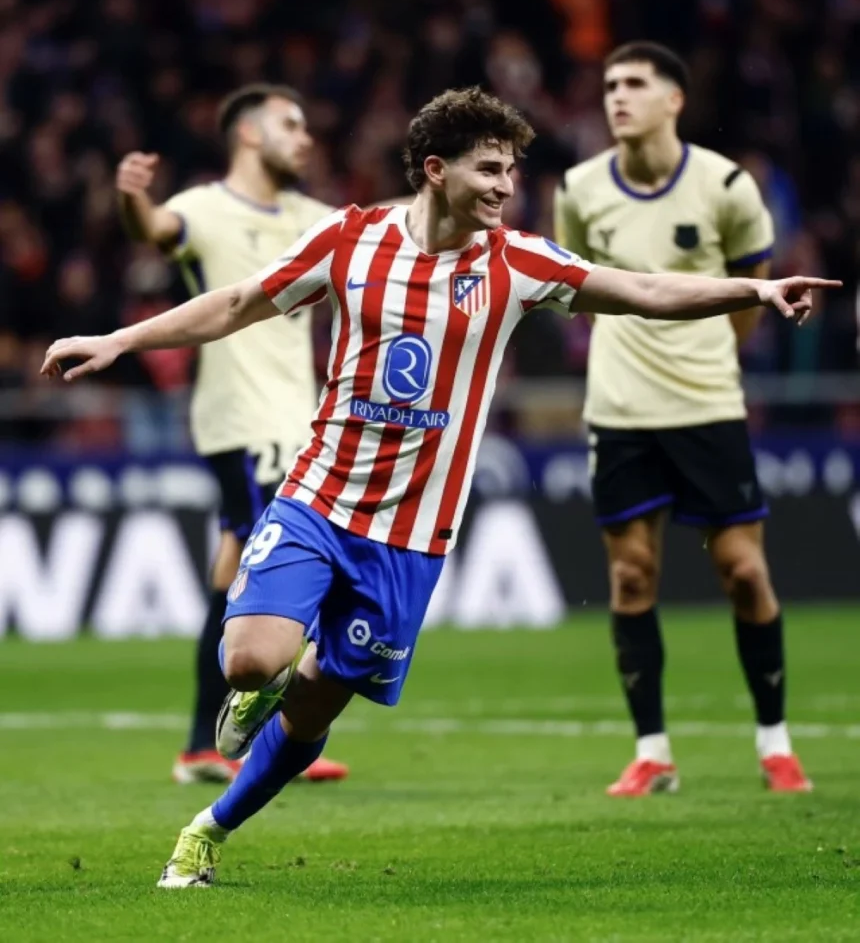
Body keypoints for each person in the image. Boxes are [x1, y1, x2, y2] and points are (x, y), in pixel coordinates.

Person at [43, 87, 836, 887]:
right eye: (489, 170)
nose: (505, 186)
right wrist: (120, 340)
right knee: (249, 662)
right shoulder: (351, 239)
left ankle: (208, 830)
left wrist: (753, 290)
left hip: (412, 537)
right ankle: (265, 684)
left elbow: (643, 291)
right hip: (318, 496)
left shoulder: (518, 263)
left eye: (511, 171)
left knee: (315, 710)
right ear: (435, 170)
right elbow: (241, 302)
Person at [554, 41, 815, 797]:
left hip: (706, 404)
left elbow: (751, 296)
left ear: (675, 100)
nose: (617, 96)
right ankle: (653, 752)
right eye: (610, 84)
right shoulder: (578, 188)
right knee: (631, 575)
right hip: (619, 410)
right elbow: (577, 286)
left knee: (745, 572)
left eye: (635, 83)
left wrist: (705, 359)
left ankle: (775, 743)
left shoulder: (727, 186)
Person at [116, 83, 347, 785]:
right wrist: (132, 198)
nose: (305, 137)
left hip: (302, 421)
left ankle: (204, 746)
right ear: (249, 133)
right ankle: (265, 739)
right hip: (242, 422)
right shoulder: (205, 208)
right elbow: (154, 229)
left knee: (236, 571)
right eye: (290, 124)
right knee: (283, 570)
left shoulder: (311, 218)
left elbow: (392, 228)